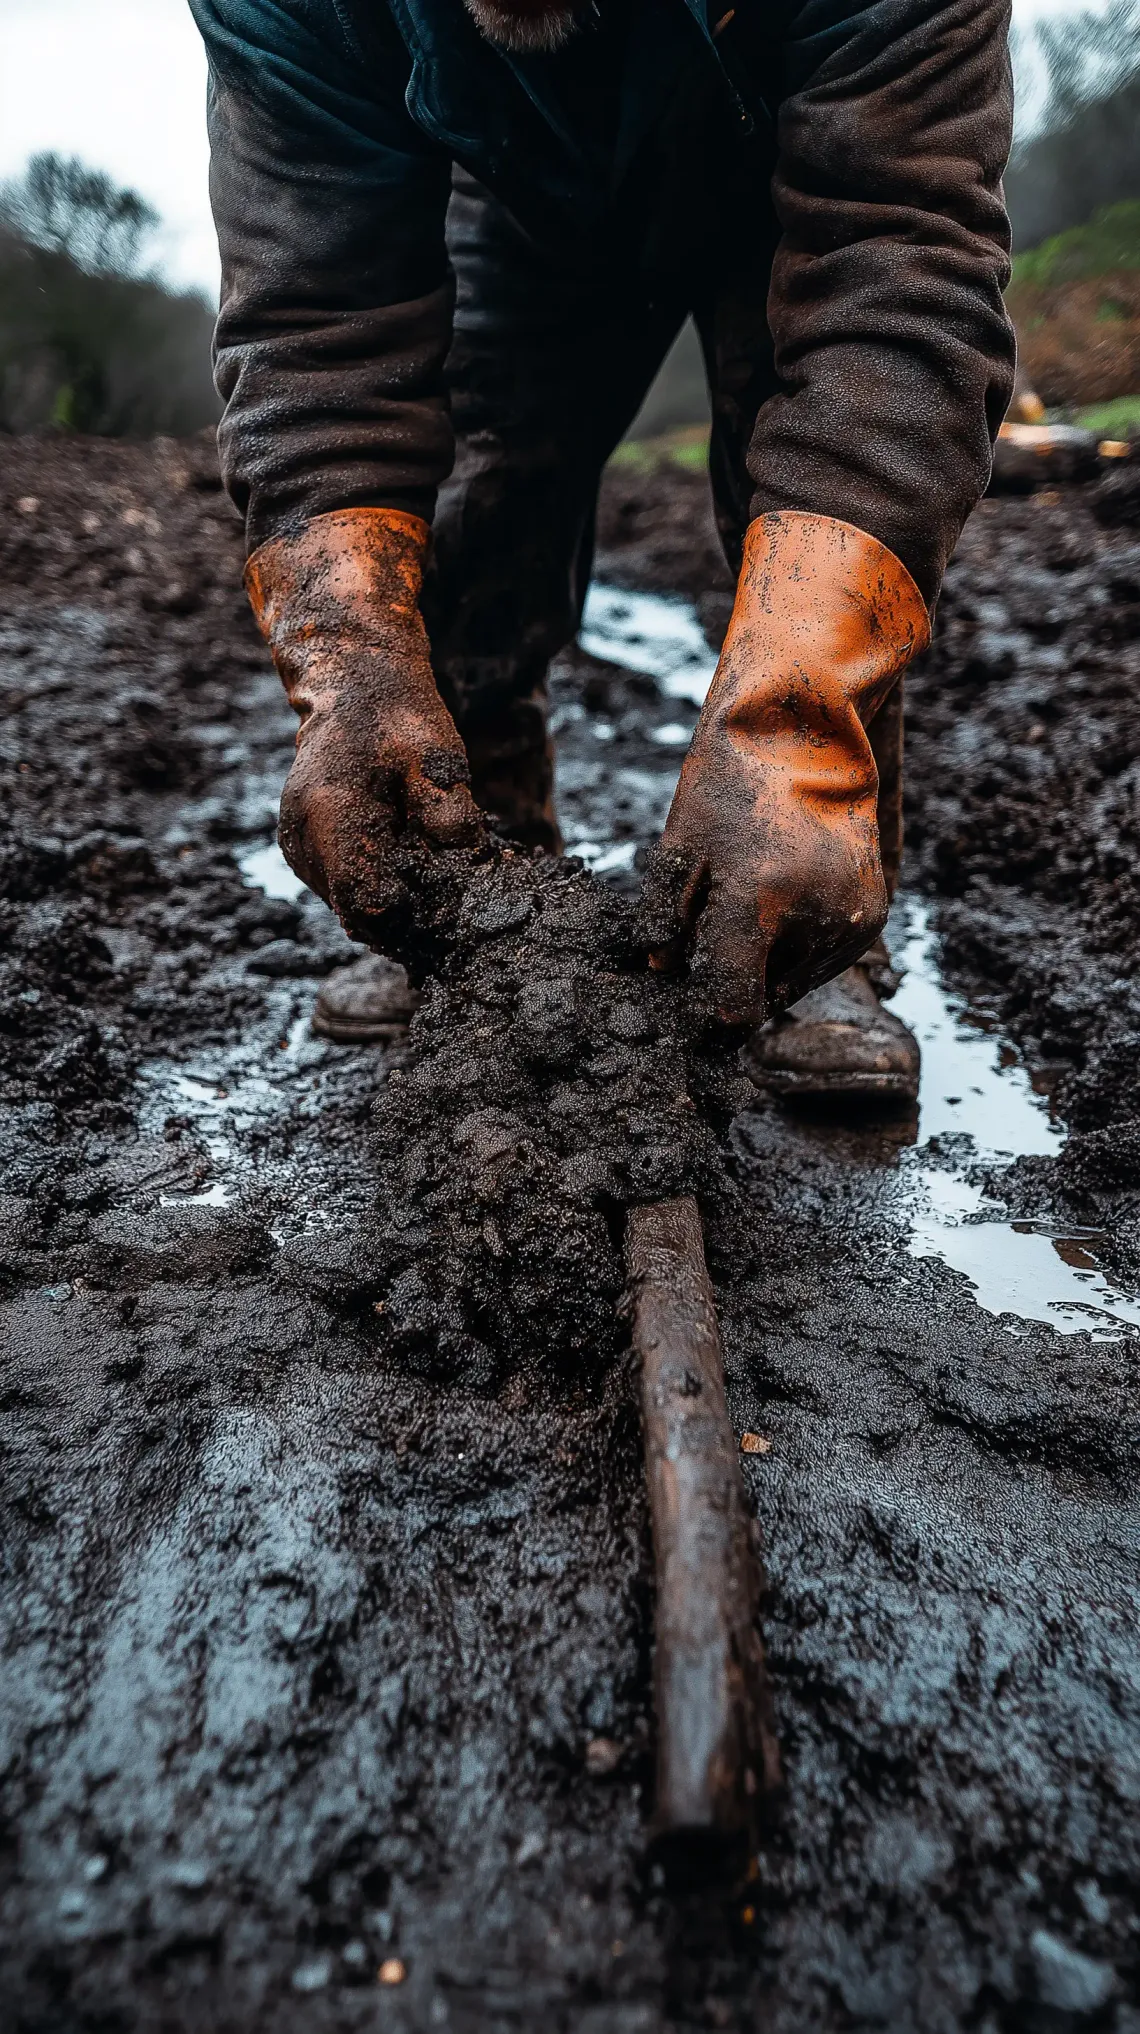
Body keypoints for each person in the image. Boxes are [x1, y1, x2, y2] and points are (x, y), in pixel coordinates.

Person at [188, 0, 1015, 1094]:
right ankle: (471, 894)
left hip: (803, 160)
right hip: (513, 184)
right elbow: (314, 316)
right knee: (479, 481)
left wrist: (793, 717)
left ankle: (807, 918)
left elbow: (902, 262)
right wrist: (347, 671)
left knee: (821, 469)